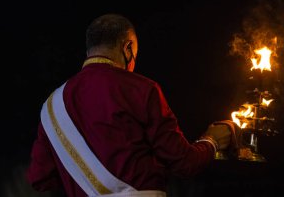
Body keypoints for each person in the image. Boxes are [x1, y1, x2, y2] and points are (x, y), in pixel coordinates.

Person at [26, 13, 235, 197]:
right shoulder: (141, 89)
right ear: (127, 49)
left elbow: (40, 178)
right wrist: (211, 140)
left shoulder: (51, 105)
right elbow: (184, 163)